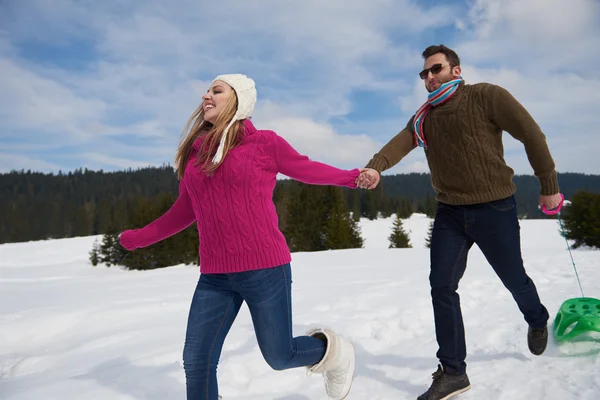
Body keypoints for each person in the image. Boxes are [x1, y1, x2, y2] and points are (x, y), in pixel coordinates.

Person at [119, 73, 359, 400]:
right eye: (206, 91)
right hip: (215, 277)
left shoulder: (265, 143)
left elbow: (308, 169)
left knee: (280, 356)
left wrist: (352, 178)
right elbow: (185, 210)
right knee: (197, 359)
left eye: (216, 91)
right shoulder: (196, 154)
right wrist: (140, 238)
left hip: (265, 269)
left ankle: (333, 352)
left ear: (238, 100)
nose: (206, 96)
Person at [357, 44, 562, 400]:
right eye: (424, 74)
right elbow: (402, 141)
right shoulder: (425, 117)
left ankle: (537, 317)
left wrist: (548, 186)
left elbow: (531, 133)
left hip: (494, 208)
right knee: (442, 285)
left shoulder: (486, 96)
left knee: (514, 278)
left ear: (455, 69)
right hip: (450, 212)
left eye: (435, 69)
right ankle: (453, 371)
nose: (429, 77)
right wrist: (376, 165)